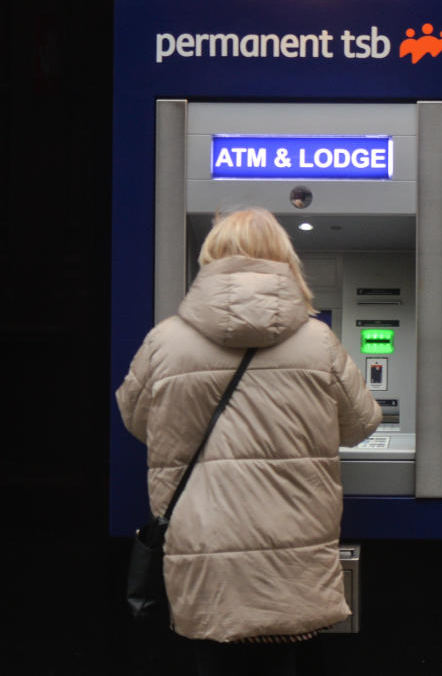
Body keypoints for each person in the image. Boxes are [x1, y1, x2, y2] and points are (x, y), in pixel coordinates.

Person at [116, 208, 381, 675]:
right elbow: (361, 424)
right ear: (284, 259)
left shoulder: (166, 341)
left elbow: (138, 421)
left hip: (204, 542)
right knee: (285, 660)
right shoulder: (318, 341)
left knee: (210, 660)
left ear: (210, 257)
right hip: (292, 543)